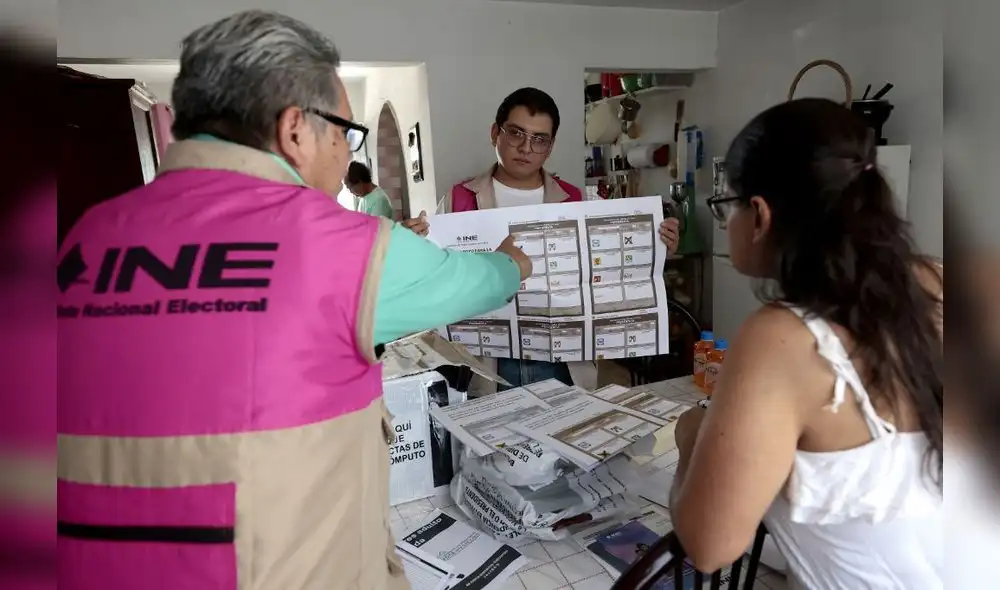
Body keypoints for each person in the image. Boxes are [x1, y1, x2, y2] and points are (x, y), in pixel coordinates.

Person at [56, 11, 530, 590]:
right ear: (296, 131)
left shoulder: (86, 237)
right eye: (344, 133)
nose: (344, 153)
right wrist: (517, 262)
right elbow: (475, 281)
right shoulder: (336, 243)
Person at [667, 98, 943, 588]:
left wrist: (691, 433)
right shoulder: (944, 281)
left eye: (726, 206)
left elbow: (709, 546)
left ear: (760, 214)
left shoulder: (782, 339)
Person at [402, 87, 680, 394]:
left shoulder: (574, 200)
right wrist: (413, 246)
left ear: (550, 147)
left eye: (539, 139)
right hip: (491, 357)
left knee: (565, 433)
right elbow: (437, 273)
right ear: (496, 133)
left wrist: (654, 243)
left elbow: (602, 271)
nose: (525, 147)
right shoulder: (460, 198)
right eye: (515, 133)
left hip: (561, 355)